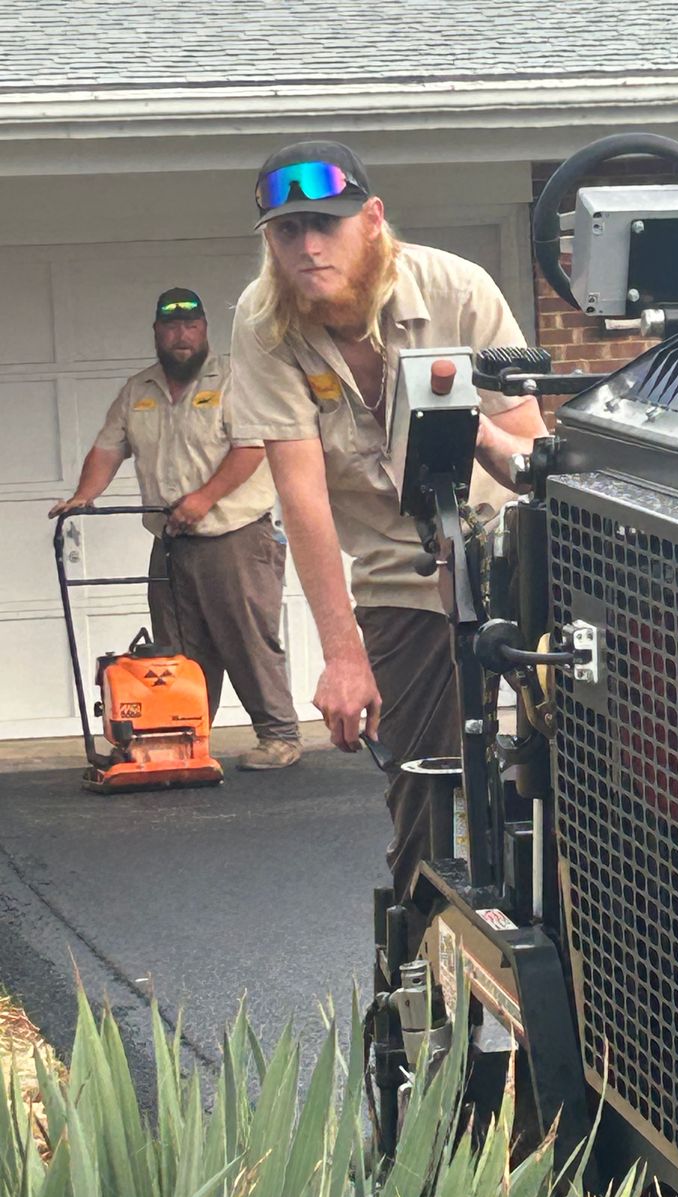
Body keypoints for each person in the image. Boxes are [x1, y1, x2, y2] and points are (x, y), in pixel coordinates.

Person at [227, 141, 549, 893]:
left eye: (327, 224)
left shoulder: (457, 288)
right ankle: (424, 986)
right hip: (399, 580)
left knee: (568, 777)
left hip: (508, 549)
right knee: (427, 803)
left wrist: (465, 424)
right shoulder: (264, 321)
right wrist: (343, 654)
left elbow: (533, 453)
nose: (307, 247)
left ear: (372, 219)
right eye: (286, 231)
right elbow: (301, 497)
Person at [49, 287, 302, 771]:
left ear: (205, 330)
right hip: (169, 540)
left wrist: (203, 499)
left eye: (190, 326)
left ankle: (279, 737)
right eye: (170, 327)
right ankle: (182, 736)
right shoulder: (138, 390)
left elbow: (251, 449)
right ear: (157, 334)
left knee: (246, 637)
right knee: (178, 646)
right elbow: (108, 448)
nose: (181, 336)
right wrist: (85, 495)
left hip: (236, 535)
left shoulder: (234, 380)